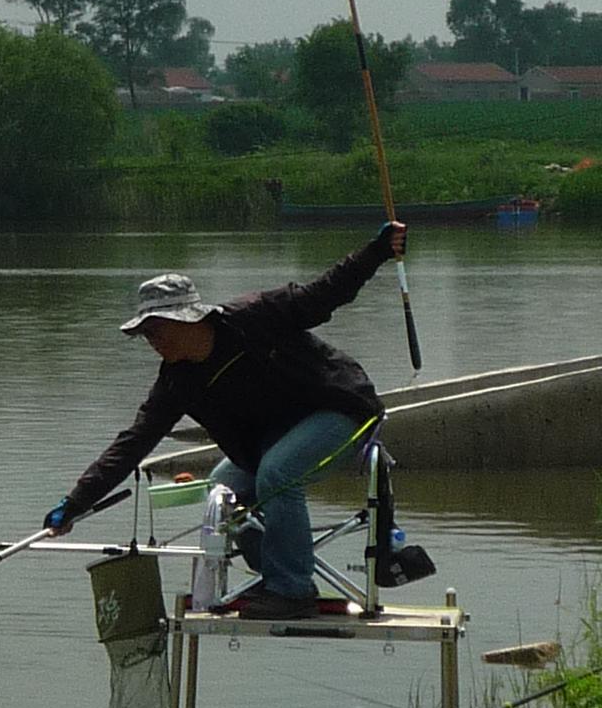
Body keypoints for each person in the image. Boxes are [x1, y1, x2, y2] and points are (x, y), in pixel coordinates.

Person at [43, 222, 407, 618]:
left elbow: (327, 292)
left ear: (188, 319)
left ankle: (292, 590)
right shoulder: (176, 382)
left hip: (342, 413)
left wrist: (377, 251)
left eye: (158, 329)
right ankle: (275, 580)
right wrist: (76, 503)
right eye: (146, 333)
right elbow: (132, 444)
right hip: (275, 437)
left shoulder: (256, 316)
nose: (152, 341)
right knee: (222, 490)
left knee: (277, 473)